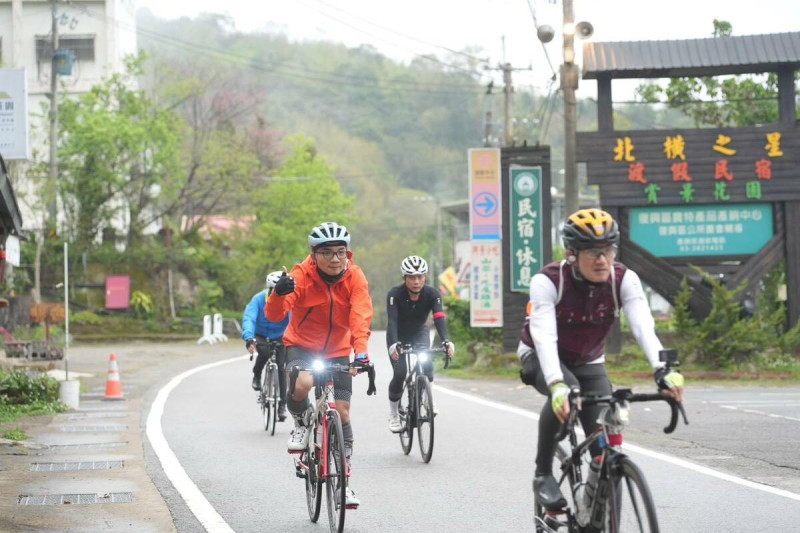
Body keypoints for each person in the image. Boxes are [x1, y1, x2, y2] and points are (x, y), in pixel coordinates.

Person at [519, 208, 684, 510]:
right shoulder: (548, 281)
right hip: (542, 357)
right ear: (572, 253)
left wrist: (662, 370)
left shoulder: (623, 279)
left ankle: (595, 495)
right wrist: (556, 384)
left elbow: (643, 327)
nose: (602, 260)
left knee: (602, 436)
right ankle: (542, 474)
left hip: (590, 360)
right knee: (566, 394)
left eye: (608, 250)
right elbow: (544, 337)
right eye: (593, 252)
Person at [265, 221, 373, 508]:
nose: (336, 258)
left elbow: (360, 315)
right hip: (301, 344)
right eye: (327, 253)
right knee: (302, 383)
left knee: (344, 412)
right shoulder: (300, 275)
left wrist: (361, 353)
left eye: (341, 252)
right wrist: (279, 293)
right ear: (314, 254)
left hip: (338, 349)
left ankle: (344, 482)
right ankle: (301, 421)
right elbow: (276, 316)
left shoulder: (355, 277)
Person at [385, 255, 454, 432]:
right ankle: (393, 413)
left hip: (419, 333)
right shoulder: (395, 294)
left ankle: (426, 397)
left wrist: (446, 340)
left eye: (420, 277)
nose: (416, 281)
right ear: (404, 278)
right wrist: (394, 344)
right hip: (398, 336)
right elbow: (392, 321)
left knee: (427, 362)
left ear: (425, 277)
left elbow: (439, 317)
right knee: (400, 373)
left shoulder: (432, 294)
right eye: (412, 277)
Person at [242, 271, 290, 421]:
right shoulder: (258, 299)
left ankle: (282, 405)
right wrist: (249, 338)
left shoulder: (288, 299)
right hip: (261, 334)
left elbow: (294, 320)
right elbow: (249, 318)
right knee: (263, 353)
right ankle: (257, 375)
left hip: (281, 335)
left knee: (282, 367)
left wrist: (293, 339)